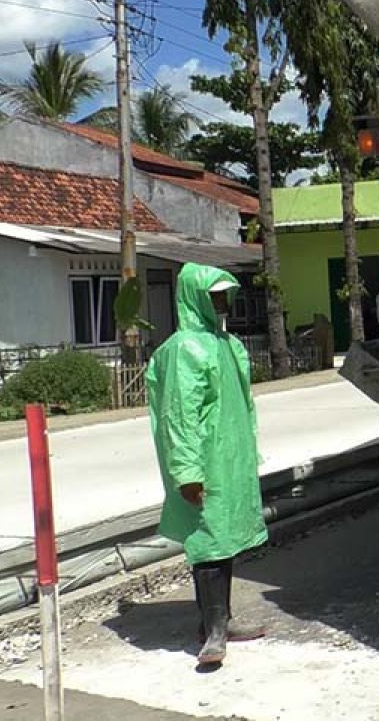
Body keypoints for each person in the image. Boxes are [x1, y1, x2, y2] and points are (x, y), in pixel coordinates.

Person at [147, 263, 269, 667]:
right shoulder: (185, 349)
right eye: (214, 295)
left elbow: (241, 405)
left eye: (224, 295)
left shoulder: (224, 343)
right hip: (204, 464)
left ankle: (222, 620)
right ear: (195, 297)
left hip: (228, 461)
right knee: (208, 544)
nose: (222, 302)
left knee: (225, 540)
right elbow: (179, 416)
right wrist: (187, 473)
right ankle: (212, 631)